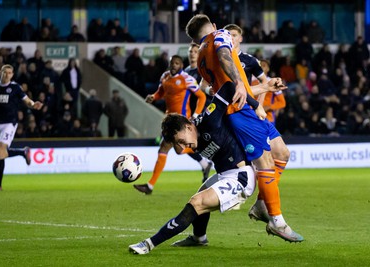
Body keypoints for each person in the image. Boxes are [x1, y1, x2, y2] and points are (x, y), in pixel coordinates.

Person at [185, 15, 303, 242]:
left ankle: (261, 205)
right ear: (214, 26)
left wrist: (265, 87)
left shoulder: (200, 59)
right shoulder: (220, 36)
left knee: (282, 153)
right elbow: (231, 73)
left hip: (245, 106)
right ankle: (277, 222)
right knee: (265, 163)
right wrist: (243, 87)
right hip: (239, 112)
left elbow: (233, 87)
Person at [129, 81, 258, 255]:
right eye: (178, 144)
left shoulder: (209, 120)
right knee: (199, 196)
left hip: (241, 177)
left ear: (189, 127)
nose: (182, 148)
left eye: (181, 141)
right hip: (224, 174)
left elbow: (228, 86)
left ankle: (148, 244)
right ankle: (199, 238)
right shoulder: (191, 134)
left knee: (196, 203)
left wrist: (256, 105)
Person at [133, 55, 212, 195]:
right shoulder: (164, 76)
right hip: (169, 120)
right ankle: (204, 163)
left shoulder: (187, 79)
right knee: (174, 149)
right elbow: (161, 92)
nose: (174, 65)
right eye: (172, 63)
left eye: (176, 63)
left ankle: (150, 186)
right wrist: (154, 97)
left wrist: (195, 115)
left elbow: (202, 96)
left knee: (167, 148)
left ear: (181, 65)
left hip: (182, 120)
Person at [0, 64, 43, 191]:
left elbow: (26, 100)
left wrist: (33, 104)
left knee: (0, 150)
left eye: (10, 73)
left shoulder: (15, 87)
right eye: (5, 72)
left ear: (12, 74)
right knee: (1, 153)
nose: (7, 75)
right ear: (1, 72)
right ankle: (23, 152)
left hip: (9, 123)